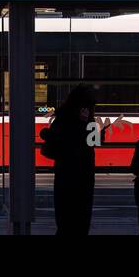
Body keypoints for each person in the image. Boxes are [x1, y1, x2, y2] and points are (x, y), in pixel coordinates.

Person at [39, 84, 96, 236]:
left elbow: (58, 140)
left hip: (65, 171)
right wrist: (86, 124)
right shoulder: (87, 119)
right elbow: (93, 142)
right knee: (82, 215)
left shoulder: (62, 117)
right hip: (83, 173)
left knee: (65, 213)